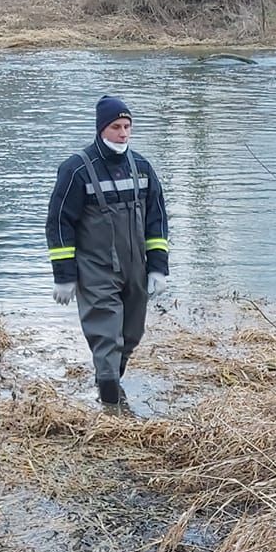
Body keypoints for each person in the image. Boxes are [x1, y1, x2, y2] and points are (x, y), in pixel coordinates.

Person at [45, 95, 170, 412]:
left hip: (135, 270)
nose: (124, 134)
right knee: (107, 338)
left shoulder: (142, 168)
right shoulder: (76, 171)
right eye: (116, 127)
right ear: (102, 128)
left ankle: (110, 385)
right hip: (96, 271)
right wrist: (64, 276)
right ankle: (113, 411)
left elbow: (157, 220)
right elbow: (59, 224)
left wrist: (157, 268)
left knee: (130, 335)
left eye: (128, 127)